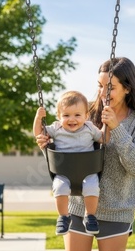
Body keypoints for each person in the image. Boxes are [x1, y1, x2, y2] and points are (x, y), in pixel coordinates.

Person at [35, 57, 135, 251]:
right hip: (77, 208)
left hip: (117, 212)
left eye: (110, 87)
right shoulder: (83, 113)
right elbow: (66, 154)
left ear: (127, 88)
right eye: (99, 85)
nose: (102, 93)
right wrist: (47, 147)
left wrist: (117, 128)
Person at [33, 91, 104, 236]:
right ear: (59, 117)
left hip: (87, 171)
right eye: (66, 115)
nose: (72, 119)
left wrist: (107, 125)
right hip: (63, 172)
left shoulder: (90, 128)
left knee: (92, 187)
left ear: (86, 116)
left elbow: (103, 138)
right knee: (59, 187)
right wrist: (38, 118)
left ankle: (90, 216)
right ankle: (64, 217)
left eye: (77, 115)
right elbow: (38, 133)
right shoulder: (56, 128)